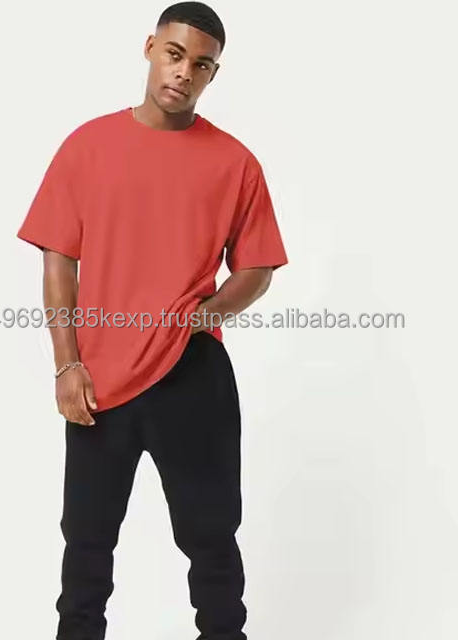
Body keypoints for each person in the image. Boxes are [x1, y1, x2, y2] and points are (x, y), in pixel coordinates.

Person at [16, 2, 288, 638]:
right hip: (99, 375)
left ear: (213, 74)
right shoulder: (88, 146)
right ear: (150, 48)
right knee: (86, 543)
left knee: (212, 540)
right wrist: (67, 365)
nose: (184, 72)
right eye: (174, 54)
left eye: (202, 64)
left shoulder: (235, 163)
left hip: (192, 376)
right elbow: (59, 260)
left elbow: (257, 268)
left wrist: (203, 317)